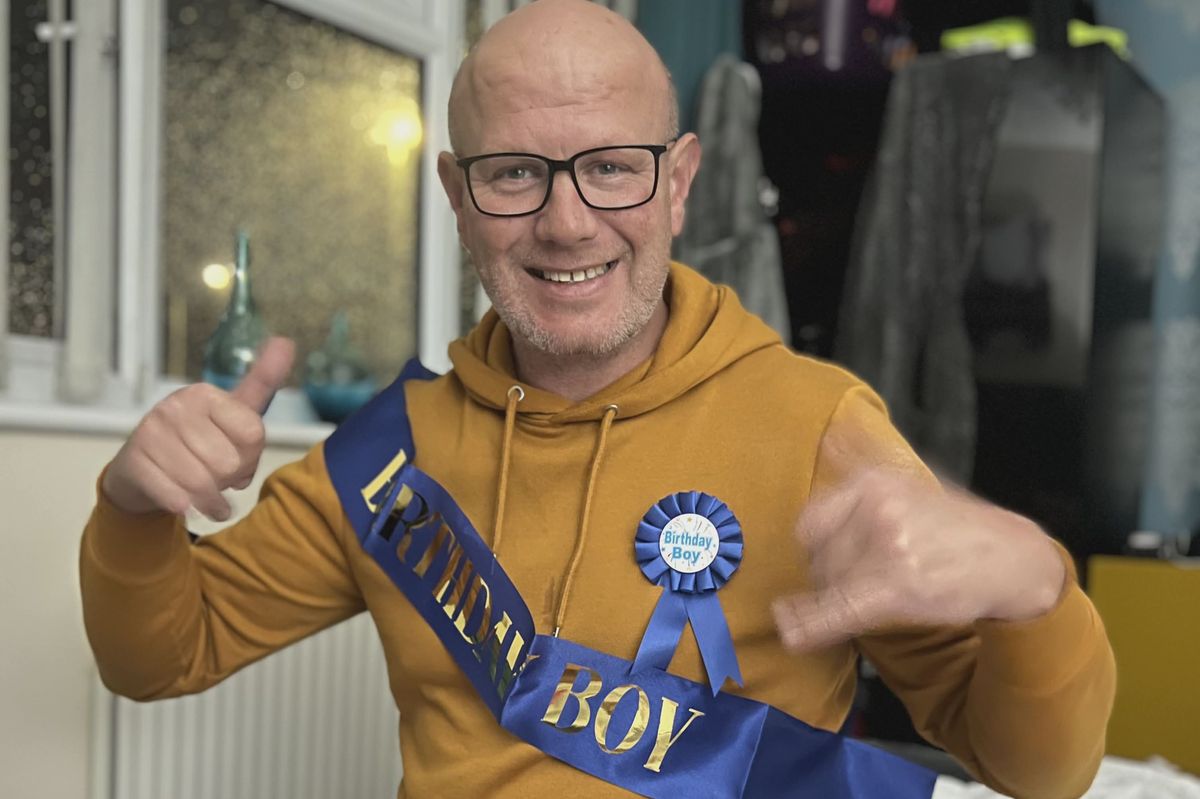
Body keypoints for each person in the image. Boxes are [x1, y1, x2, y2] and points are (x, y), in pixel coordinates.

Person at [80, 1, 1115, 797]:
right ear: (457, 196)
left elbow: (1040, 772)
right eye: (514, 174)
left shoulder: (821, 424)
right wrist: (132, 507)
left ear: (679, 182)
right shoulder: (390, 452)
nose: (568, 223)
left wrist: (1037, 592)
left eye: (613, 167)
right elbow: (162, 655)